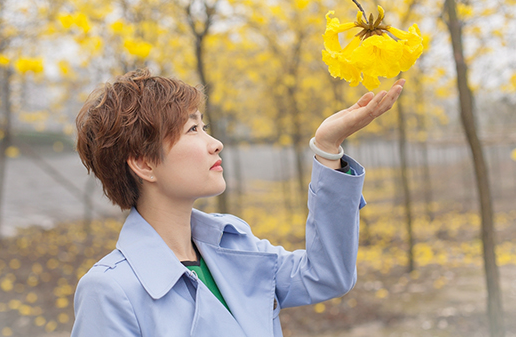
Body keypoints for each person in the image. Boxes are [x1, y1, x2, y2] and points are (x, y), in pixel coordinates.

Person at [71, 68, 405, 337]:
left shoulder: (234, 244)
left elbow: (327, 274)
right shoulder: (111, 291)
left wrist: (327, 147)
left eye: (205, 127)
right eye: (192, 130)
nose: (215, 143)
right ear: (144, 163)